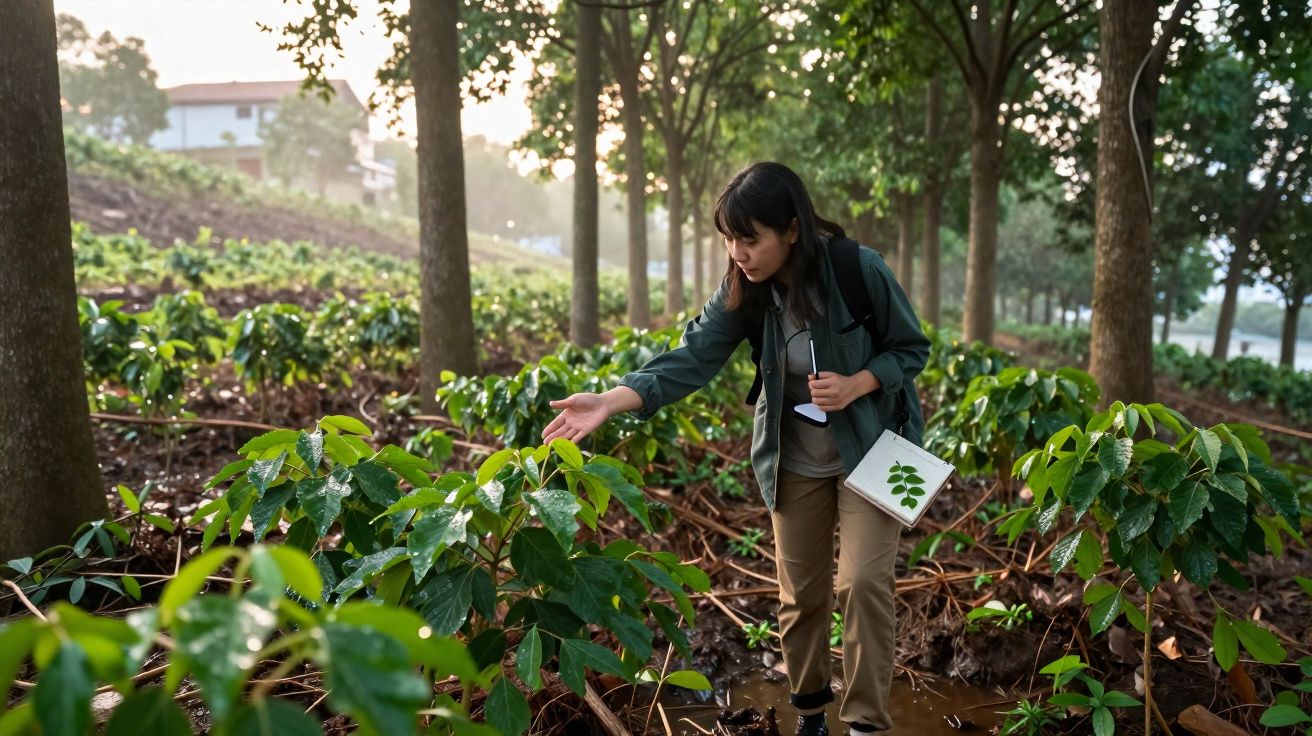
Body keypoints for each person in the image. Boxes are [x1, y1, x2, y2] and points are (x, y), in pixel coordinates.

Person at [541, 162, 930, 736]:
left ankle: (868, 725)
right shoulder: (743, 290)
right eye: (729, 238)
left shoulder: (856, 268)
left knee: (863, 584)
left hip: (879, 447)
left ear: (791, 230)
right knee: (801, 598)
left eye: (750, 238)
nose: (738, 252)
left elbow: (911, 348)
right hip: (792, 456)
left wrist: (859, 383)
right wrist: (612, 400)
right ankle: (811, 716)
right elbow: (690, 356)